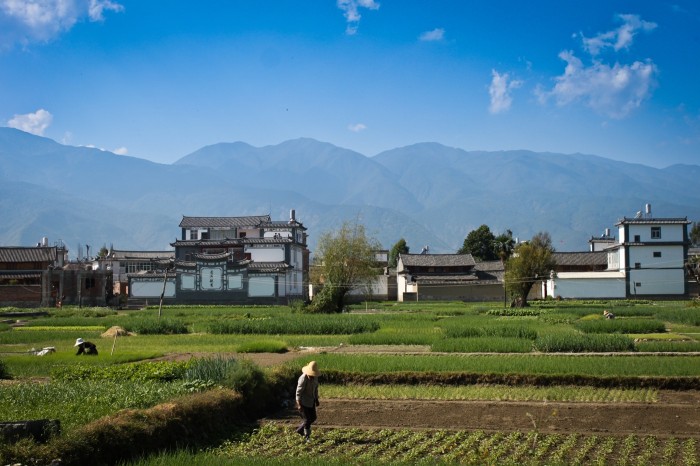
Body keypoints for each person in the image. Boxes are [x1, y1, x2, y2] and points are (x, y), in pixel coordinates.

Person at [295, 360, 319, 442]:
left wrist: (316, 399)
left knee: (313, 417)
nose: (311, 377)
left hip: (311, 400)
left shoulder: (315, 378)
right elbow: (298, 392)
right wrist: (299, 404)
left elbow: (315, 389)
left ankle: (300, 430)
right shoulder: (303, 378)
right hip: (303, 401)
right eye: (310, 375)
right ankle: (307, 436)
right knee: (307, 420)